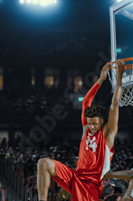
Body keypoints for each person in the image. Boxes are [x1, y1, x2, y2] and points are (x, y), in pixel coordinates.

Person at [37, 60, 125, 201]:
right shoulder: (86, 129)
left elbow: (115, 103)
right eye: (90, 123)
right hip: (76, 176)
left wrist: (119, 77)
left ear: (102, 121)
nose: (92, 126)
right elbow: (85, 102)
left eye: (95, 123)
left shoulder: (108, 134)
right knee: (43, 163)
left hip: (92, 186)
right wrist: (101, 80)